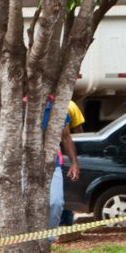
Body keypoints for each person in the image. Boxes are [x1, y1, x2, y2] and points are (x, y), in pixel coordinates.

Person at [44, 96, 84, 228]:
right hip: (27, 164)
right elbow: (79, 131)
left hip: (54, 162)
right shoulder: (23, 105)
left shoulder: (65, 105)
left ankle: (50, 237)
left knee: (57, 202)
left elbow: (70, 135)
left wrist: (75, 162)